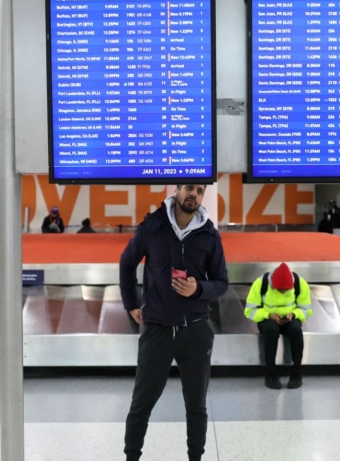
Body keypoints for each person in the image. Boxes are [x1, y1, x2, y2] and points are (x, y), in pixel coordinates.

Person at [119, 184, 229, 461]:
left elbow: (221, 282)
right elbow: (126, 262)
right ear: (177, 190)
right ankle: (132, 457)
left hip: (195, 329)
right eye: (190, 188)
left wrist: (199, 289)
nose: (194, 194)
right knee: (141, 404)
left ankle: (195, 457)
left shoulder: (209, 235)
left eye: (200, 191)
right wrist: (131, 304)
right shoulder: (153, 226)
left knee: (196, 406)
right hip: (157, 329)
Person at [245, 262, 312, 390]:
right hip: (267, 318)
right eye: (279, 290)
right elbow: (250, 310)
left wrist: (293, 314)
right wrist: (268, 315)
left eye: (286, 290)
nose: (282, 292)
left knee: (296, 330)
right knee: (271, 330)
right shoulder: (260, 283)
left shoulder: (300, 283)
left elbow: (306, 309)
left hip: (291, 318)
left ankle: (297, 373)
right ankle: (270, 374)